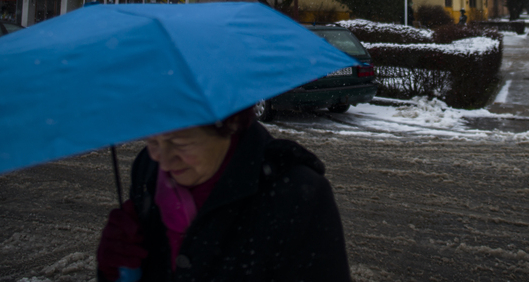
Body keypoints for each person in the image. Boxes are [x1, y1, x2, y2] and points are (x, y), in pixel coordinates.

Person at [96, 108, 351, 281]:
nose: (163, 160)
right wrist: (117, 270)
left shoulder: (296, 195)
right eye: (152, 141)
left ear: (229, 124)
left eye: (181, 143)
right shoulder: (146, 170)